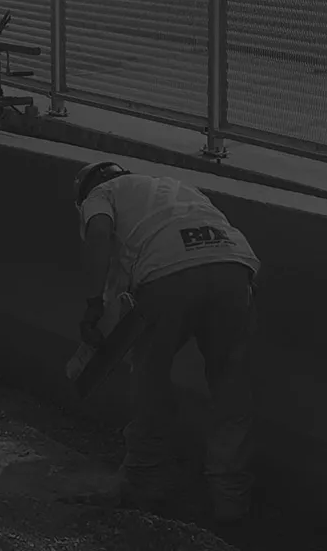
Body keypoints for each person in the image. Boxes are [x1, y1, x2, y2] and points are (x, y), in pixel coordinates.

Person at [71, 161, 261, 525]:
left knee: (150, 379)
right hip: (234, 267)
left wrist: (93, 304)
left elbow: (98, 234)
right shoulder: (177, 187)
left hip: (166, 272)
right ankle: (230, 503)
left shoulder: (100, 195)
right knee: (231, 388)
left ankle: (146, 484)